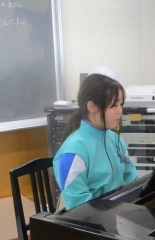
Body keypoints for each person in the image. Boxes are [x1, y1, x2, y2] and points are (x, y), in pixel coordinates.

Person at [54, 73, 137, 210]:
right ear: (92, 107)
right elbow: (79, 207)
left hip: (119, 212)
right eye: (114, 105)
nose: (120, 111)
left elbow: (132, 180)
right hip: (91, 219)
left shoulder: (115, 139)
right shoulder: (72, 152)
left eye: (121, 104)